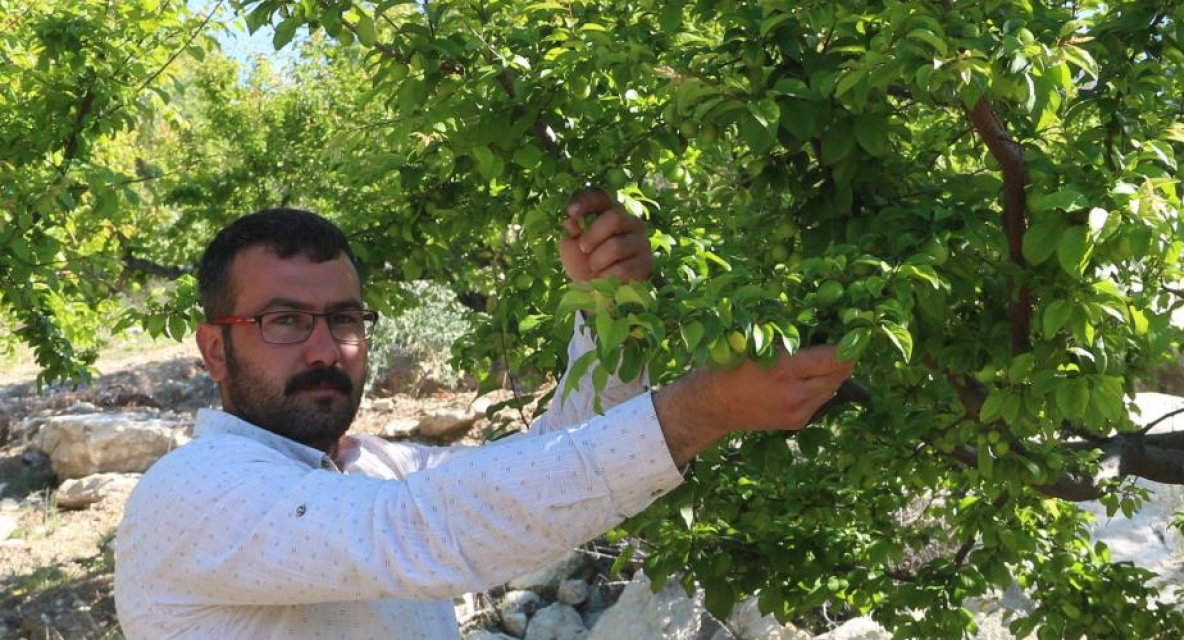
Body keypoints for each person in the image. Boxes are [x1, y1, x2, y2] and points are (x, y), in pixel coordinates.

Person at [114, 189, 854, 639]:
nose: (324, 348)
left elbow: (547, 468)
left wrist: (606, 307)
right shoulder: (192, 491)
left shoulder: (372, 468)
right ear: (214, 349)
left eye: (343, 318)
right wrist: (703, 410)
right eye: (282, 320)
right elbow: (417, 531)